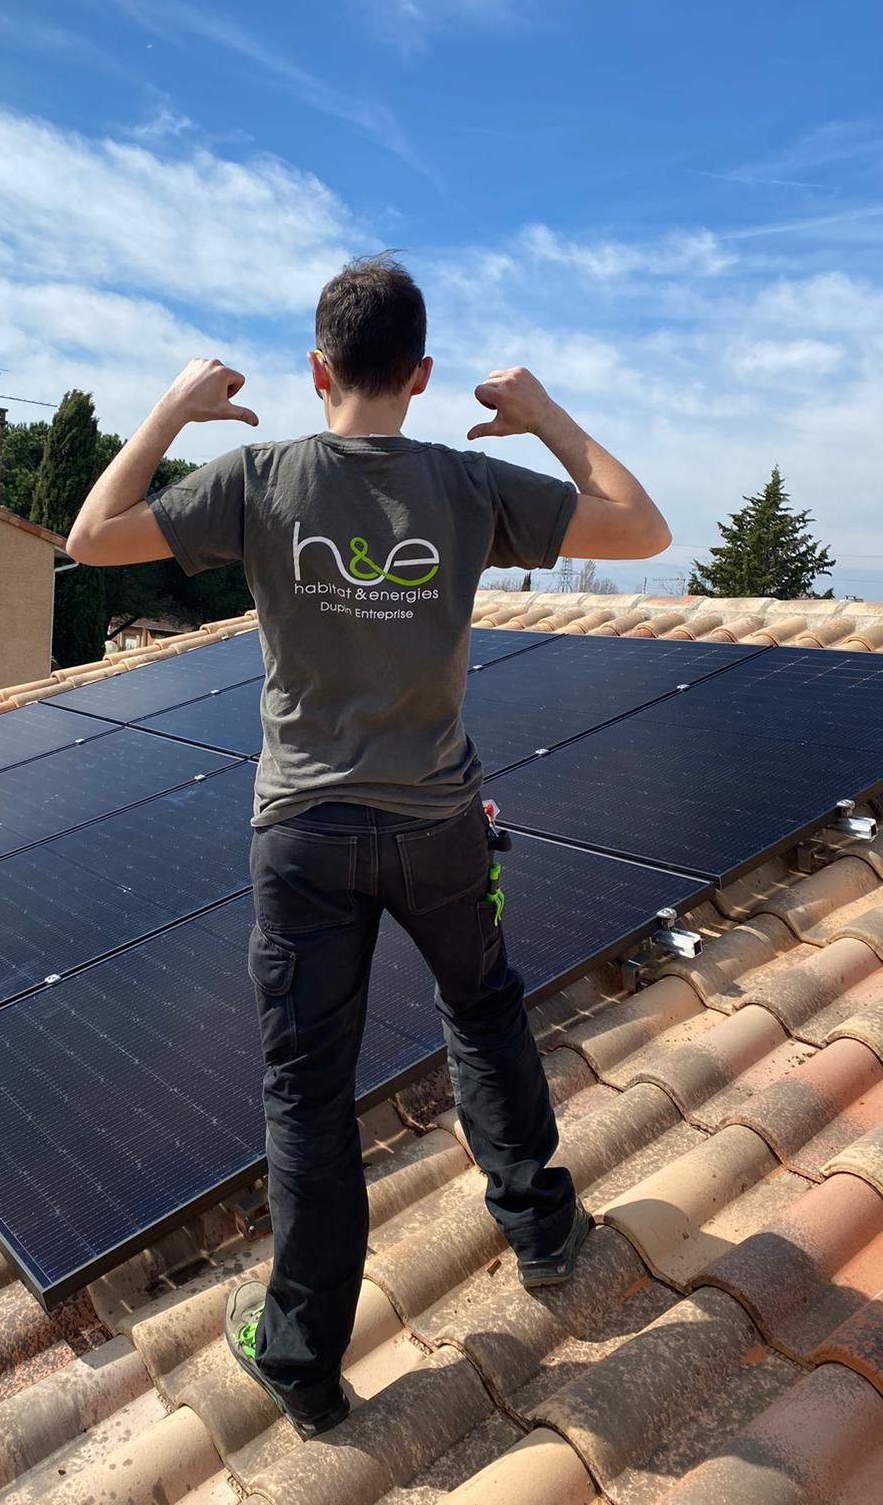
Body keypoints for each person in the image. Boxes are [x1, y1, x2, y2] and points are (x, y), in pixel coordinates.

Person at [66, 254, 671, 1440]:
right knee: (484, 1010)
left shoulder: (259, 479)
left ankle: (301, 1356)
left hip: (303, 835)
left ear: (316, 369)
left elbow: (93, 537)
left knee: (309, 1089)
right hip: (439, 826)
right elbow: (641, 527)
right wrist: (543, 413)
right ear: (424, 374)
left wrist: (173, 409)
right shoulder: (469, 484)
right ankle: (544, 1229)